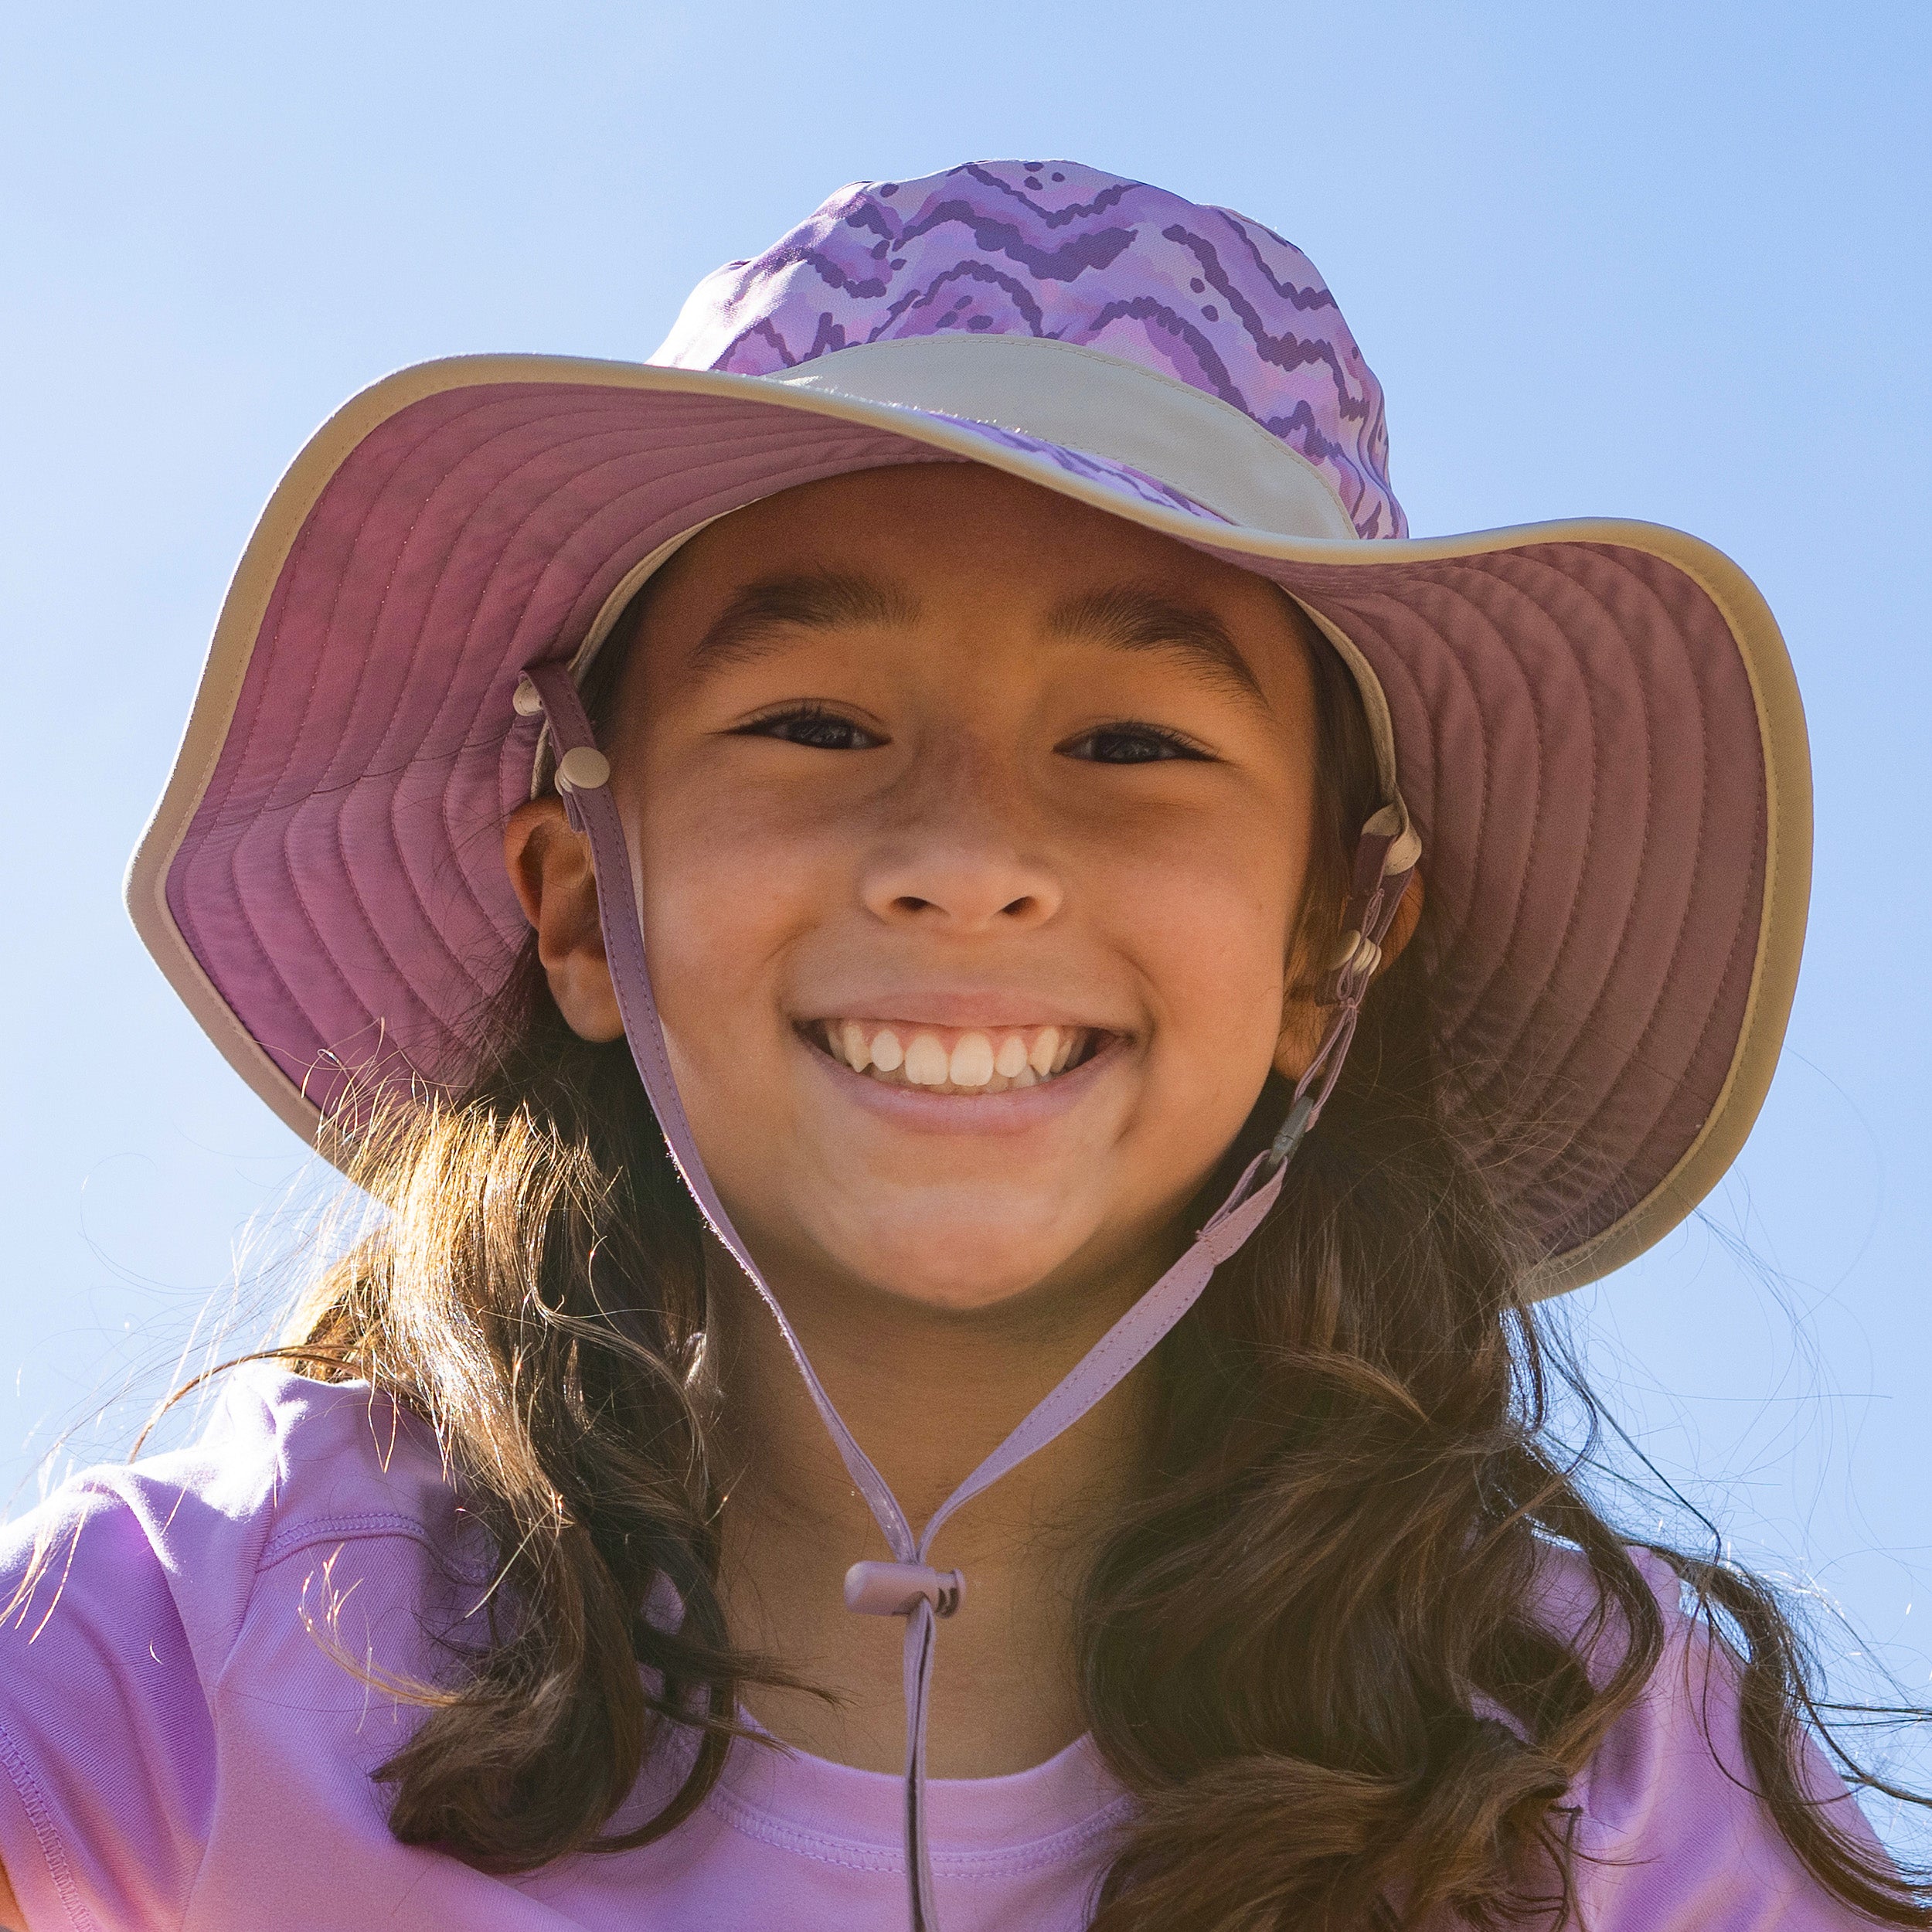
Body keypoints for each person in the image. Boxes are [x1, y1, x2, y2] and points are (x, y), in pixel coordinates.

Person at [0, 158, 1913, 1931]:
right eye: (814, 725)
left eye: (1132, 743)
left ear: (1330, 940)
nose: (967, 858)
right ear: (579, 899)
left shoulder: (1591, 1765)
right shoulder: (200, 1634)